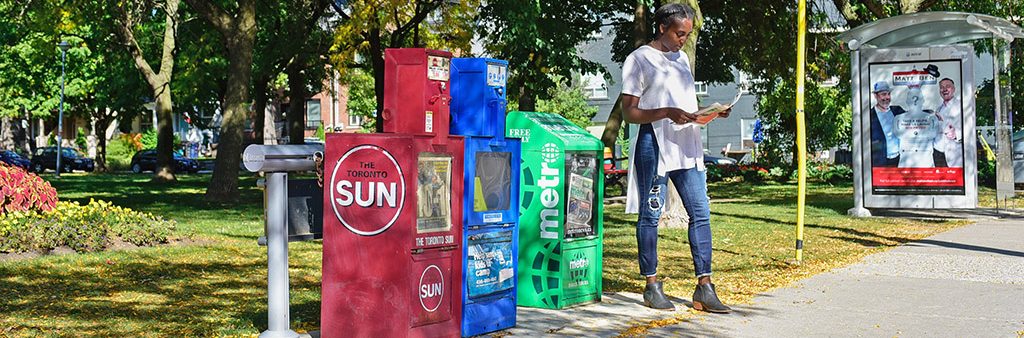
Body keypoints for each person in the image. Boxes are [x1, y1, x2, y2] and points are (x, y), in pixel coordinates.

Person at [620, 3, 731, 313]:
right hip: (653, 144)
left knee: (701, 212)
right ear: (661, 28)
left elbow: (684, 105)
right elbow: (629, 112)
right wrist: (667, 113)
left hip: (687, 145)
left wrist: (709, 115)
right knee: (651, 214)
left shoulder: (681, 58)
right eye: (679, 33)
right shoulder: (639, 59)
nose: (684, 39)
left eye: (688, 34)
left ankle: (704, 287)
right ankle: (652, 284)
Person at [894, 85, 940, 168]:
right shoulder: (898, 119)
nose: (915, 100)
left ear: (923, 100)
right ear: (907, 101)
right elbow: (898, 134)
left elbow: (933, 134)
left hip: (926, 160)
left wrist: (912, 134)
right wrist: (921, 134)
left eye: (917, 97)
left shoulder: (932, 118)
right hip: (906, 160)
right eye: (912, 98)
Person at [869, 81, 905, 167]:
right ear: (875, 96)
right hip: (880, 162)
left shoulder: (896, 110)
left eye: (888, 94)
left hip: (898, 159)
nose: (887, 97)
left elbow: (912, 117)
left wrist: (929, 114)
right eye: (883, 94)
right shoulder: (870, 115)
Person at [933, 78, 963, 167]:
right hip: (938, 153)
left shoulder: (961, 106)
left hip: (953, 154)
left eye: (947, 86)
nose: (944, 89)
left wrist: (956, 134)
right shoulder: (938, 109)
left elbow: (969, 128)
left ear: (954, 89)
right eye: (941, 87)